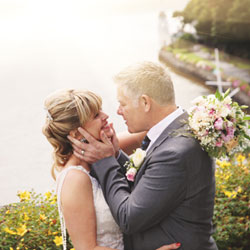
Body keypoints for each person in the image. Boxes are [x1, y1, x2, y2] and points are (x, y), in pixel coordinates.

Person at [68, 62, 218, 250]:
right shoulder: (180, 129)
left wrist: (104, 160)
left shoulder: (174, 153)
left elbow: (128, 218)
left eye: (122, 104)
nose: (118, 111)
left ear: (146, 103)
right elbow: (150, 180)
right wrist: (115, 155)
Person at [42, 89, 181, 250]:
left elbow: (154, 130)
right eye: (95, 115)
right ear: (77, 134)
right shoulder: (75, 178)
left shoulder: (105, 151)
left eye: (100, 110)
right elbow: (87, 248)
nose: (105, 116)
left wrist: (205, 118)